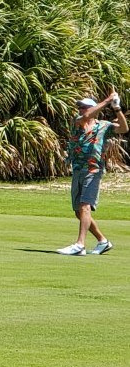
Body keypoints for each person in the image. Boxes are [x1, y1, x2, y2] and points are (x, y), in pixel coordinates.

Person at [58, 92, 128, 255]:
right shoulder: (77, 122)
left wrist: (117, 108)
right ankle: (103, 241)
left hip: (93, 170)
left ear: (92, 108)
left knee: (85, 205)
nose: (80, 110)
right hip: (77, 169)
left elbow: (124, 128)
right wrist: (108, 101)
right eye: (80, 107)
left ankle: (80, 245)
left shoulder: (103, 125)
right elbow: (87, 116)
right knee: (78, 210)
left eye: (83, 107)